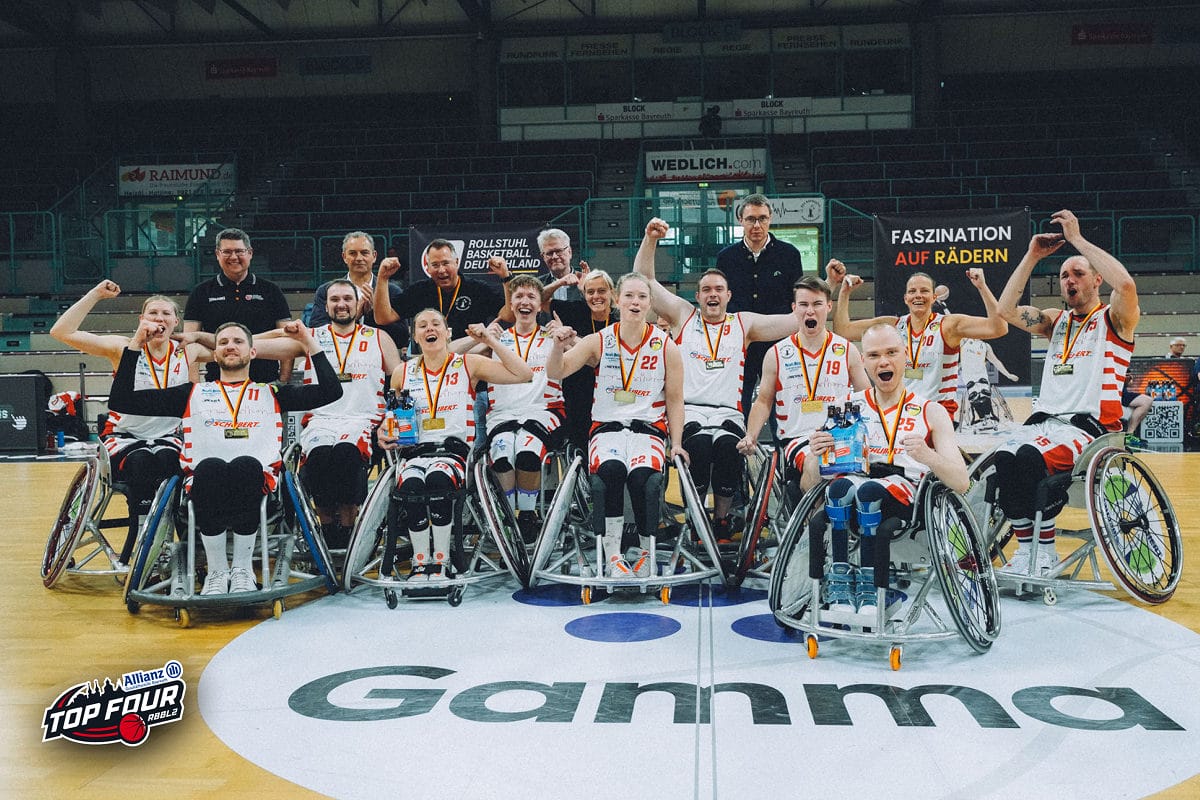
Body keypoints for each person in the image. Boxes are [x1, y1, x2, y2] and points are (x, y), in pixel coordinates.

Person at [107, 319, 343, 595]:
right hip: (204, 483)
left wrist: (307, 340)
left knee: (246, 465)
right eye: (223, 343)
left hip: (258, 483)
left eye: (238, 341)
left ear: (252, 353)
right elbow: (121, 400)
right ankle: (217, 572)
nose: (230, 346)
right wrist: (136, 342)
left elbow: (332, 390)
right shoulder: (192, 393)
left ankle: (242, 570)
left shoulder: (272, 392)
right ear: (214, 355)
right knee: (210, 468)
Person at [993, 209, 1139, 575]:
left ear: (1096, 280)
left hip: (1089, 430)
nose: (1069, 280)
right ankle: (1026, 550)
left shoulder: (1115, 319)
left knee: (1027, 458)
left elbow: (1127, 287)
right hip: (1045, 424)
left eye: (1078, 273)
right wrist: (1031, 256)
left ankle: (1045, 551)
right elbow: (1005, 310)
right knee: (1003, 458)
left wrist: (1076, 241)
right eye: (1064, 275)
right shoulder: (1054, 323)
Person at [634, 217, 799, 540]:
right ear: (698, 295)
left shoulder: (744, 323)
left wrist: (832, 291)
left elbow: (796, 320)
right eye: (707, 289)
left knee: (727, 450)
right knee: (697, 449)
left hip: (727, 412)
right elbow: (643, 279)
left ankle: (721, 519)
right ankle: (696, 518)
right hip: (689, 410)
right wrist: (650, 238)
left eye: (718, 290)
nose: (713, 295)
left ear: (728, 295)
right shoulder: (683, 315)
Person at [802, 324, 968, 616]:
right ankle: (840, 581)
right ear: (864, 362)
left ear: (905, 356)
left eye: (891, 353)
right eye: (874, 355)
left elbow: (961, 482)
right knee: (839, 489)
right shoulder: (846, 408)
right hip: (854, 490)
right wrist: (816, 456)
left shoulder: (931, 411)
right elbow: (809, 485)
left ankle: (869, 586)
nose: (884, 362)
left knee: (868, 491)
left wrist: (929, 456)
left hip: (906, 499)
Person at [49, 280, 209, 561]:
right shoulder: (123, 348)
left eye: (165, 314)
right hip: (124, 436)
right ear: (141, 320)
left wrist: (200, 337)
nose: (159, 319)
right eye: (152, 314)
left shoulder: (187, 352)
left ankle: (185, 546)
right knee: (141, 462)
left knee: (173, 465)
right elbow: (61, 331)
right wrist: (95, 295)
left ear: (176, 322)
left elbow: (239, 346)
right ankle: (146, 544)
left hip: (168, 438)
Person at [547, 273, 687, 578]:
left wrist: (676, 443)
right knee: (609, 474)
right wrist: (557, 347)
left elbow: (676, 400)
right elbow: (559, 370)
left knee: (644, 480)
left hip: (648, 430)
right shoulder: (599, 340)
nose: (635, 302)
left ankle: (646, 554)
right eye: (629, 296)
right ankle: (613, 556)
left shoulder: (666, 345)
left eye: (642, 297)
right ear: (617, 300)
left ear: (650, 303)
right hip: (607, 428)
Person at [383, 309, 533, 581]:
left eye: (436, 324)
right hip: (415, 452)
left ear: (448, 332)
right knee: (411, 485)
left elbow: (524, 374)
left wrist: (491, 341)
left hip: (454, 452)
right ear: (415, 336)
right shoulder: (401, 372)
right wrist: (385, 432)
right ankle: (420, 562)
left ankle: (441, 560)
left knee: (440, 478)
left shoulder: (467, 364)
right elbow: (391, 420)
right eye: (422, 325)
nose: (430, 329)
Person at [258, 280, 403, 547]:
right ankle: (326, 528)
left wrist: (393, 419)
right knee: (320, 458)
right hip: (321, 419)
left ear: (359, 304)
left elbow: (402, 378)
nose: (342, 304)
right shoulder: (311, 336)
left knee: (347, 455)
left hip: (364, 419)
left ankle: (348, 528)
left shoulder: (378, 337)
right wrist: (231, 342)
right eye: (335, 299)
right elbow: (252, 349)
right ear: (326, 305)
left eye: (348, 298)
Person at [737, 274, 870, 507]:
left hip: (841, 435)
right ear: (794, 308)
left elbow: (867, 396)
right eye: (804, 305)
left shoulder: (845, 350)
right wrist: (751, 435)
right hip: (798, 438)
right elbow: (763, 402)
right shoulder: (777, 353)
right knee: (816, 462)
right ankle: (815, 530)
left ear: (828, 307)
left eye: (817, 304)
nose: (811, 311)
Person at [828, 261, 1008, 418]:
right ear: (906, 298)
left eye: (924, 291)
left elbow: (998, 328)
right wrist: (845, 293)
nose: (918, 295)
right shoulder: (893, 326)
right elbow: (843, 331)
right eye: (912, 291)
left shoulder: (948, 325)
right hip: (900, 411)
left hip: (937, 413)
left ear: (934, 297)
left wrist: (982, 287)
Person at [473, 275, 565, 542]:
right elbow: (463, 364)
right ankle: (507, 519)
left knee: (526, 453)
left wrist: (566, 338)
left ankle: (527, 516)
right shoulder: (498, 339)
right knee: (503, 456)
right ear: (510, 304)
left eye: (531, 297)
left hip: (543, 411)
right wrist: (485, 341)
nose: (525, 302)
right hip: (503, 414)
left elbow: (586, 355)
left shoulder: (552, 335)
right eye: (519, 297)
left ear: (540, 305)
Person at [715, 194, 804, 420]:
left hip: (779, 343)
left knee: (780, 405)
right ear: (740, 220)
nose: (757, 225)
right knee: (738, 403)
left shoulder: (789, 254)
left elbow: (798, 297)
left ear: (771, 219)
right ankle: (738, 452)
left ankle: (781, 453)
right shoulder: (726, 257)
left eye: (762, 219)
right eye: (751, 219)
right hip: (739, 344)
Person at [184, 228, 293, 383]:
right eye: (227, 251)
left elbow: (286, 337)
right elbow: (190, 342)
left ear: (250, 253)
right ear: (217, 254)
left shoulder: (271, 290)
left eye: (239, 251)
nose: (233, 257)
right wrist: (193, 387)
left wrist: (283, 382)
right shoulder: (201, 292)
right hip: (218, 386)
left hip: (266, 383)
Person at [543, 267, 619, 454]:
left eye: (602, 291)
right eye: (590, 292)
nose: (596, 297)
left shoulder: (621, 319)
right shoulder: (574, 310)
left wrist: (572, 342)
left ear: (612, 293)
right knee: (581, 451)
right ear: (584, 294)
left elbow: (603, 357)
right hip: (578, 394)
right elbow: (540, 299)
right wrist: (560, 282)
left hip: (614, 395)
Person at [372, 239, 512, 339]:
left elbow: (509, 316)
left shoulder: (478, 289)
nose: (441, 270)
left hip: (471, 360)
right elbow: (383, 318)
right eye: (435, 265)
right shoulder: (419, 291)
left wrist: (505, 277)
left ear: (456, 263)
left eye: (446, 263)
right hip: (431, 364)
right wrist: (382, 278)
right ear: (427, 267)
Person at [307, 231, 408, 353]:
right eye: (353, 253)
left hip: (379, 357)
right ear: (344, 257)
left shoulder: (391, 291)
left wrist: (373, 314)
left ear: (374, 256)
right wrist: (353, 318)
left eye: (364, 253)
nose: (359, 258)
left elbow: (402, 337)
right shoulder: (327, 290)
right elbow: (316, 331)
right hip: (338, 357)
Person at [535, 228, 585, 303]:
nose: (554, 256)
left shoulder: (585, 281)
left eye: (558, 251)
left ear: (570, 252)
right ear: (543, 257)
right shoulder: (536, 285)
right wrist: (560, 282)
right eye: (549, 253)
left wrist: (588, 289)